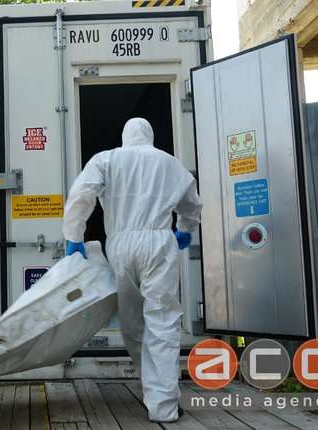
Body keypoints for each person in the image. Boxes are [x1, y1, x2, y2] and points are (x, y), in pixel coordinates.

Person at [62, 117, 202, 423]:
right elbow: (191, 204)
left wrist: (74, 235)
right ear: (150, 135)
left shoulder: (107, 159)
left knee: (132, 321)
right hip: (159, 242)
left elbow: (81, 194)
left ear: (125, 136)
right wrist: (185, 228)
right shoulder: (169, 162)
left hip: (121, 244)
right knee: (162, 320)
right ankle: (162, 403)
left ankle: (151, 387)